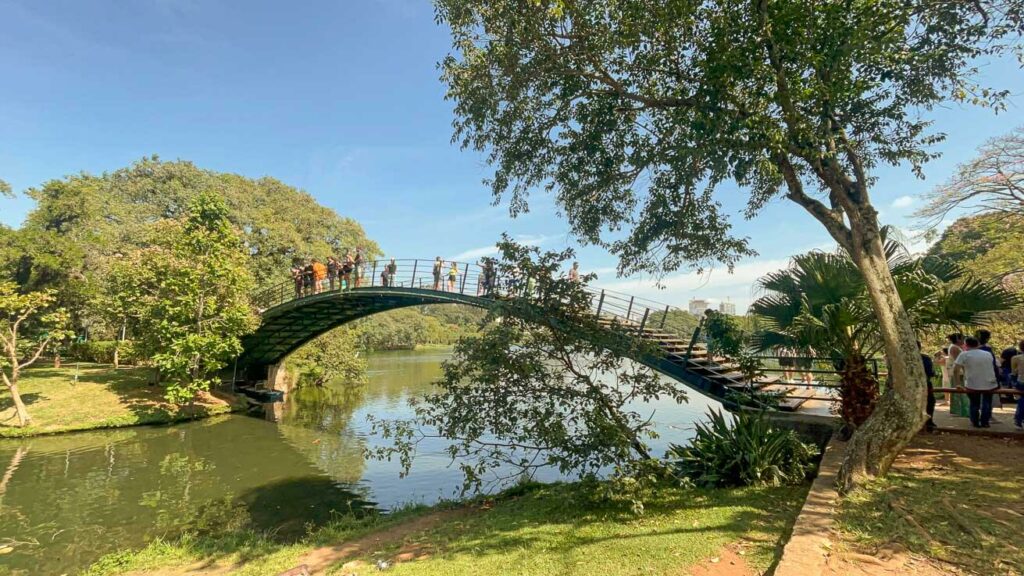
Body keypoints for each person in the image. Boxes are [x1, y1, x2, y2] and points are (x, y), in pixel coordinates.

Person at [954, 336, 999, 428]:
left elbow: (956, 369)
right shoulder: (988, 354)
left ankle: (975, 422)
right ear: (978, 344)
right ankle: (985, 422)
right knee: (987, 403)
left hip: (972, 383)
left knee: (974, 403)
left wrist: (958, 383)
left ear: (966, 344)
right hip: (989, 382)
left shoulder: (964, 354)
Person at [946, 333, 967, 417]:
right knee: (959, 390)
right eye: (962, 339)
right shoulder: (954, 347)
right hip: (958, 372)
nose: (963, 341)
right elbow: (958, 361)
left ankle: (959, 410)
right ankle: (961, 410)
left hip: (959, 371)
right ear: (958, 339)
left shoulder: (955, 347)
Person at [920, 341, 937, 432]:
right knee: (930, 402)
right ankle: (929, 421)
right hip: (925, 383)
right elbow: (930, 372)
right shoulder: (925, 358)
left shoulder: (903, 358)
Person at [1011, 339, 1024, 429]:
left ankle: (1018, 420)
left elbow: (1013, 372)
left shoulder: (1016, 358)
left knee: (1022, 401)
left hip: (1021, 382)